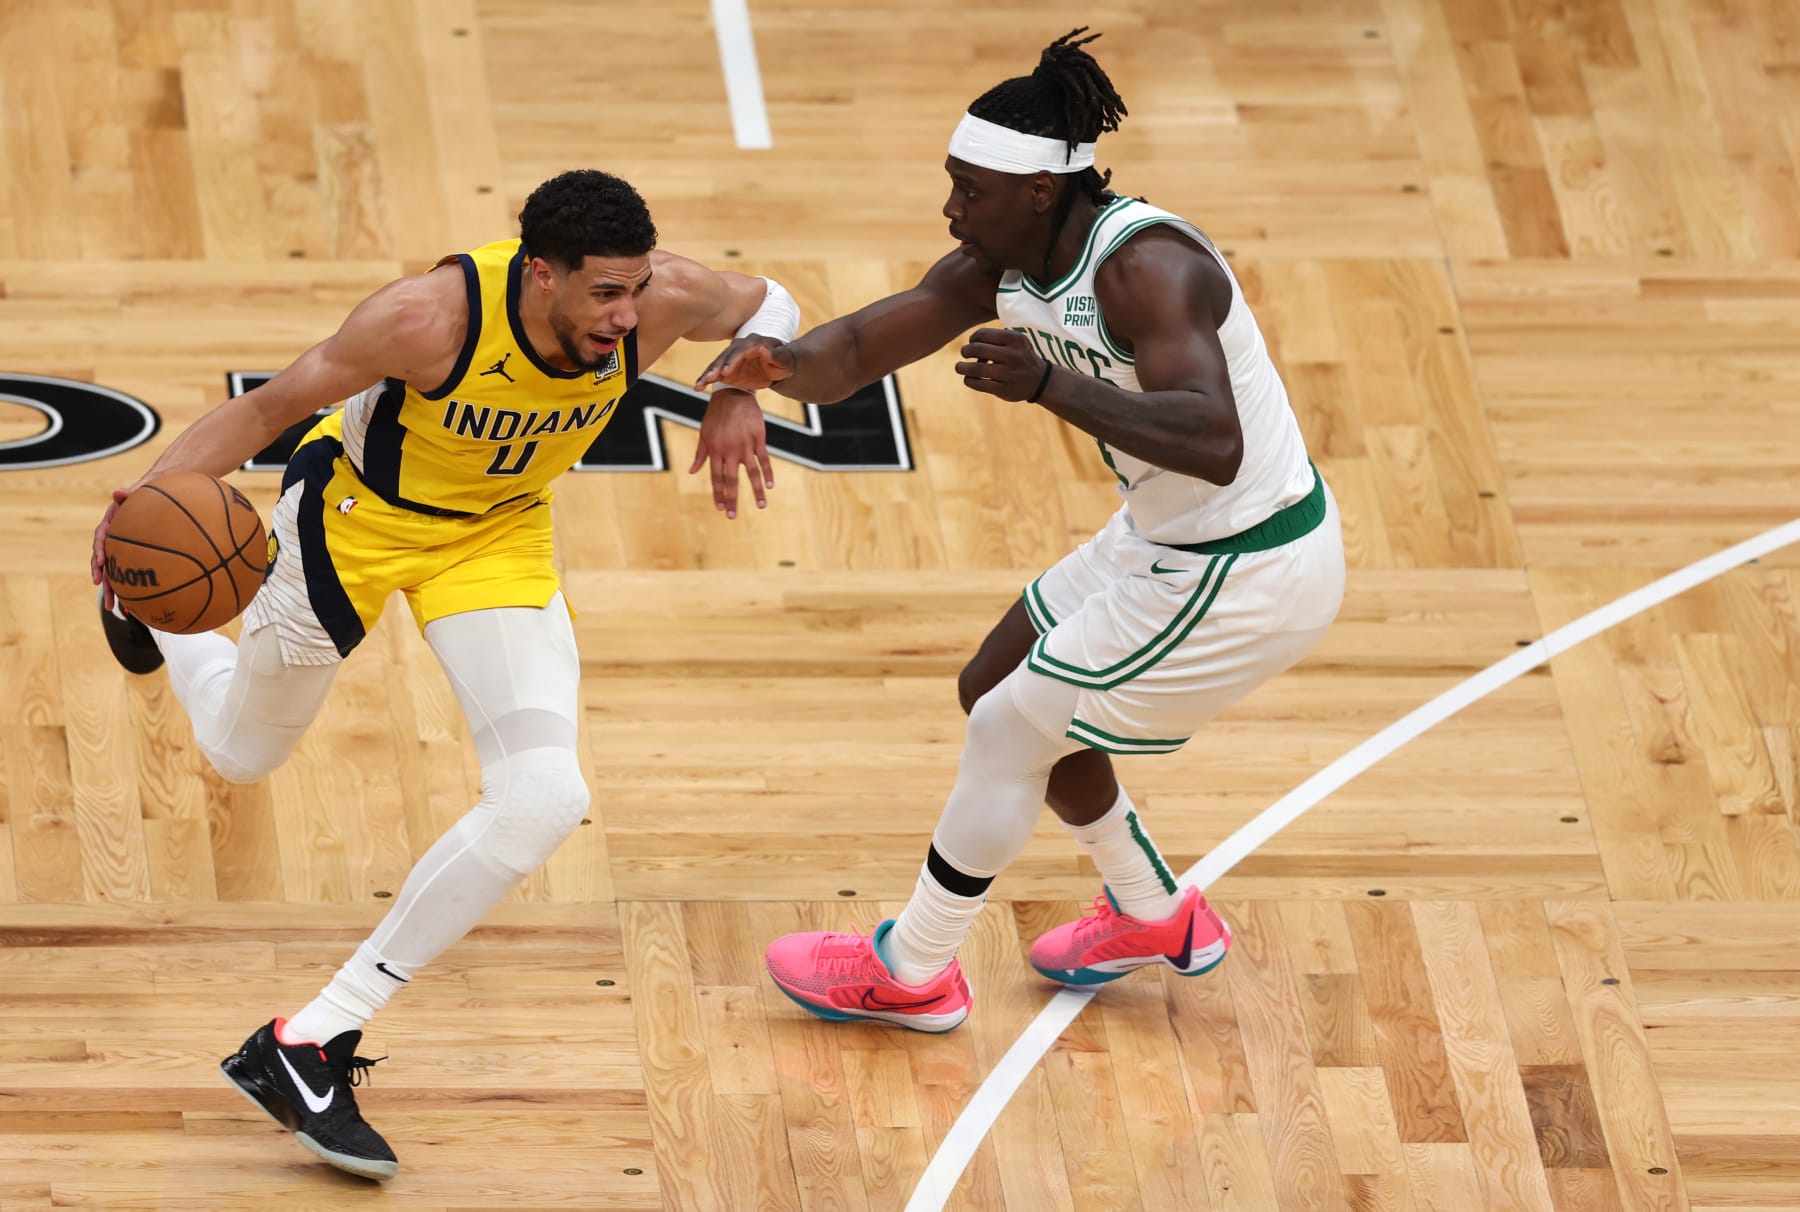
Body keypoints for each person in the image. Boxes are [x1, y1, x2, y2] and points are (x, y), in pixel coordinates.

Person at [90, 169, 797, 1179]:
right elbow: (267, 412)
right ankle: (152, 609)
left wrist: (733, 386)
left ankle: (309, 1042)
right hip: (355, 524)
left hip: (497, 540)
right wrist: (136, 516)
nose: (629, 316)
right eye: (605, 293)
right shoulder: (423, 319)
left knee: (545, 798)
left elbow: (775, 304)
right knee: (241, 757)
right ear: (541, 273)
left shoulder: (666, 299)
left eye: (636, 287)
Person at [700, 30, 1345, 1032]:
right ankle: (1154, 912)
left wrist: (1051, 384)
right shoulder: (993, 265)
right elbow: (866, 343)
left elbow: (1213, 440)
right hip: (1166, 539)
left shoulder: (1152, 269)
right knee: (995, 688)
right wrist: (774, 364)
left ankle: (912, 967)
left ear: (1040, 193)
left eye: (970, 190)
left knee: (1013, 726)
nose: (952, 210)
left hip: (1245, 565)